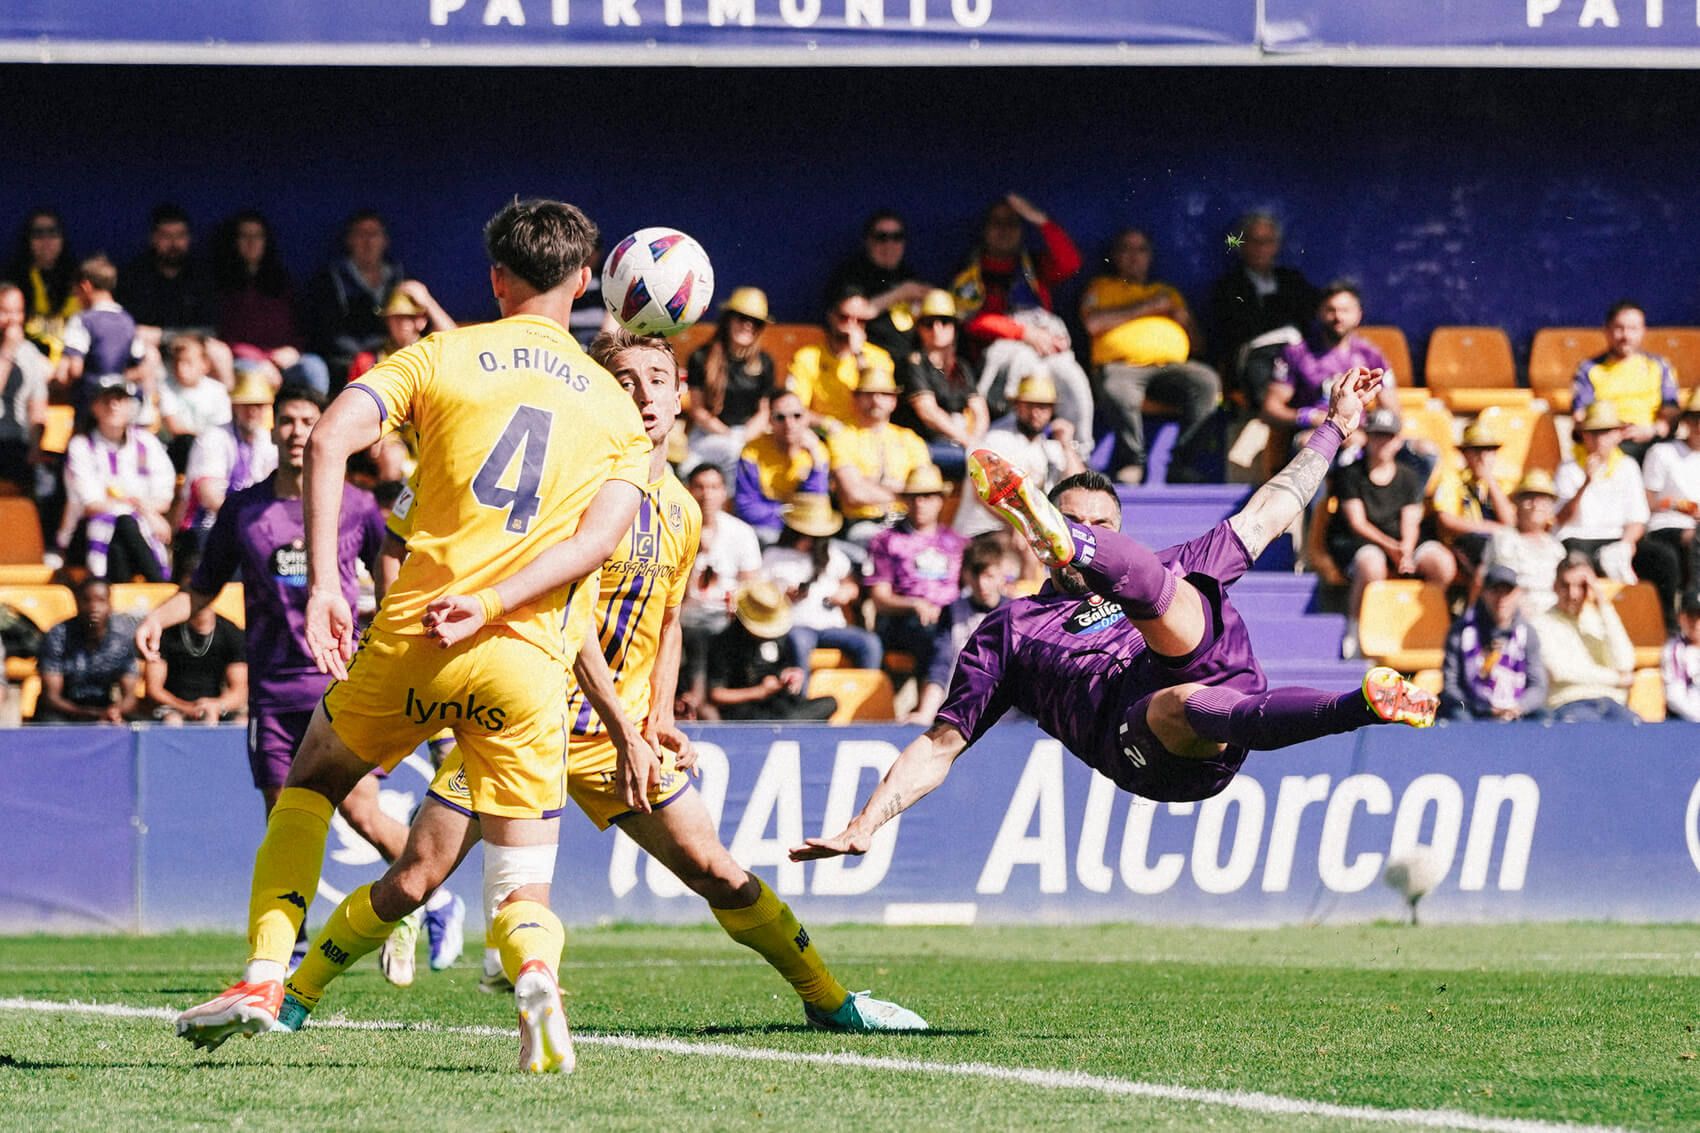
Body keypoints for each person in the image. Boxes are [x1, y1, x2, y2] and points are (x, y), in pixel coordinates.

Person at [279, 328, 921, 1035]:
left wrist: (657, 718)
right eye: (625, 377)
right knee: (413, 877)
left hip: (614, 737)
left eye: (657, 377)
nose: (643, 393)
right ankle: (293, 996)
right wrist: (626, 725)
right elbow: (570, 618)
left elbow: (669, 621)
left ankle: (831, 1000)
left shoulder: (680, 510)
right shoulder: (575, 487)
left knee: (715, 868)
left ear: (682, 397)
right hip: (520, 718)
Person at [172, 198, 650, 1076]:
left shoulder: (441, 352)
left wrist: (326, 583)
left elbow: (327, 438)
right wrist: (498, 598)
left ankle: (264, 973)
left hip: (418, 629)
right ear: (586, 282)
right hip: (527, 658)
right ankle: (535, 975)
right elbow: (594, 545)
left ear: (496, 279)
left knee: (309, 783)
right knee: (521, 880)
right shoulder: (619, 414)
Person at [792, 368, 1437, 870]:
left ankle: (1365, 705)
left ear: (1117, 531)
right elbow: (939, 746)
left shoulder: (1165, 566)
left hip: (1228, 688)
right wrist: (864, 825)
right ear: (1034, 544)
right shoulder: (1011, 630)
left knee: (1170, 591)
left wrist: (1335, 426)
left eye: (1101, 527)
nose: (1094, 529)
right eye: (1074, 523)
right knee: (1176, 698)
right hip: (1143, 745)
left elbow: (1273, 508)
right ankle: (1060, 530)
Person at [135, 383, 412, 958]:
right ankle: (287, 945)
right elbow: (203, 589)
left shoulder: (357, 506)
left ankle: (422, 896)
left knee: (362, 812)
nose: (295, 431)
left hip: (336, 686)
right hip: (271, 693)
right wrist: (158, 618)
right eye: (285, 420)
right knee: (283, 820)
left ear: (325, 427)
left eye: (308, 419)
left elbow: (391, 588)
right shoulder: (244, 509)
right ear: (271, 429)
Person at [1081, 228, 1221, 484]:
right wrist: (1150, 306)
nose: (1134, 256)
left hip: (1170, 372)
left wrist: (1184, 319)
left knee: (1206, 381)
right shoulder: (1101, 287)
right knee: (1115, 385)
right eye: (1126, 249)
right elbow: (1093, 323)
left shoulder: (1166, 292)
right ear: (1114, 256)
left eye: (1141, 249)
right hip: (1121, 369)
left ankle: (1182, 463)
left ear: (1150, 256)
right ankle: (1132, 461)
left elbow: (1198, 345)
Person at [952, 193, 1092, 445]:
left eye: (1012, 224)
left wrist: (1039, 220)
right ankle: (1011, 443)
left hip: (1043, 353)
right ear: (985, 229)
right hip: (998, 360)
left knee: (1072, 376)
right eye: (998, 224)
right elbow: (969, 320)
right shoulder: (973, 270)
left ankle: (1079, 450)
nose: (1004, 231)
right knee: (1022, 360)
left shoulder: (1032, 265)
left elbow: (1070, 262)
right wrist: (1024, 334)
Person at [1325, 408, 1455, 658]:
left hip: (1401, 542)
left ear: (1398, 440)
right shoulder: (1350, 475)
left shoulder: (1409, 476)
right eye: (1376, 435)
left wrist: (1406, 549)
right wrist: (1392, 548)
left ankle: (1426, 622)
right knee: (1371, 565)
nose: (1382, 442)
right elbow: (1357, 523)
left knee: (1442, 564)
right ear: (1367, 438)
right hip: (1363, 542)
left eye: (1388, 436)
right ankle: (1356, 626)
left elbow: (1411, 518)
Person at [1555, 402, 1679, 616]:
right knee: (1574, 560)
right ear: (1583, 435)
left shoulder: (1627, 466)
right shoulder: (1569, 468)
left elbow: (1637, 518)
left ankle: (1667, 624)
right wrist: (1586, 482)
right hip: (1579, 538)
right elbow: (1561, 518)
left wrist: (1627, 544)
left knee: (1663, 558)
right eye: (1593, 433)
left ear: (1617, 435)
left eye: (1605, 432)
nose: (1599, 439)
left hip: (1617, 538)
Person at [55, 375, 174, 581]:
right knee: (123, 523)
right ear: (94, 407)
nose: (113, 406)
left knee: (121, 540)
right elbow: (93, 504)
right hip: (85, 534)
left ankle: (122, 601)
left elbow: (163, 498)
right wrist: (143, 509)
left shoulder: (147, 443)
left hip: (136, 533)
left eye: (120, 399)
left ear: (131, 406)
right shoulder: (82, 446)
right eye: (106, 400)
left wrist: (140, 510)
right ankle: (161, 584)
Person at [1262, 283, 1394, 453]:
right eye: (1331, 310)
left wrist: (1367, 435)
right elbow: (1271, 410)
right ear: (1319, 312)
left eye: (1345, 310)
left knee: (1424, 452)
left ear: (1358, 315)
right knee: (1311, 443)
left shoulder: (1371, 355)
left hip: (1359, 435)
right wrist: (1310, 417)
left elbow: (1392, 411)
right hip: (1313, 434)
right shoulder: (1296, 353)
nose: (1338, 317)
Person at [951, 373, 1084, 539]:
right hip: (982, 532)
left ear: (1052, 410)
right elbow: (982, 495)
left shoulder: (1051, 447)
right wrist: (1023, 528)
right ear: (1016, 405)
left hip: (1026, 536)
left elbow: (1079, 489)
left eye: (1043, 406)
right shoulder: (995, 439)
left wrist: (1067, 446)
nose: (1036, 412)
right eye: (1029, 405)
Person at [212, 210, 331, 394]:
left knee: (314, 367)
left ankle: (314, 421)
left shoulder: (283, 282)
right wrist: (261, 360)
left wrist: (293, 350)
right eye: (245, 236)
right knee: (248, 372)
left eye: (258, 236)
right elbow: (222, 337)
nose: (252, 243)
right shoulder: (220, 284)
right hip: (242, 361)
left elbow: (301, 328)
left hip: (283, 359)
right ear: (234, 241)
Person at [867, 464, 967, 680]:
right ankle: (929, 703)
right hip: (904, 620)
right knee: (935, 636)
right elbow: (880, 598)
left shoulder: (957, 542)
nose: (920, 503)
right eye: (914, 497)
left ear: (941, 500)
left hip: (950, 616)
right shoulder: (886, 541)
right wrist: (914, 604)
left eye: (928, 496)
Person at [763, 492, 883, 671]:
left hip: (831, 625)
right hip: (795, 626)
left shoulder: (834, 555)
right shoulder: (773, 556)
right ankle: (799, 697)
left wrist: (845, 593)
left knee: (870, 643)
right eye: (803, 534)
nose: (808, 540)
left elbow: (851, 585)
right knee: (798, 642)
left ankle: (865, 694)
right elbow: (758, 591)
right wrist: (782, 596)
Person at [1207, 211, 1318, 405]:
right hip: (1255, 359)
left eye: (1267, 242)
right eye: (1253, 241)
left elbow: (1309, 314)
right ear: (1241, 246)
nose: (1260, 248)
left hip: (1294, 354)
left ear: (1276, 246)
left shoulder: (1291, 279)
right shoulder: (1229, 285)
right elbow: (1237, 329)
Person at [679, 461, 762, 718]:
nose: (707, 494)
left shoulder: (741, 532)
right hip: (686, 614)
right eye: (700, 487)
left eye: (714, 487)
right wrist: (694, 556)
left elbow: (751, 586)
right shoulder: (677, 530)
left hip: (727, 616)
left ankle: (701, 699)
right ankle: (699, 701)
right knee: (696, 634)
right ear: (688, 491)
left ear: (724, 492)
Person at [911, 535, 1018, 724]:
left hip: (1008, 717)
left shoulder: (1018, 614)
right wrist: (926, 713)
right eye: (976, 575)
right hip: (959, 714)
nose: (982, 584)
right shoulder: (952, 612)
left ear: (1003, 575)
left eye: (989, 576)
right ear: (966, 574)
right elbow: (940, 665)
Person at [826, 358, 930, 544]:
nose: (876, 400)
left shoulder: (910, 439)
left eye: (884, 394)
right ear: (856, 398)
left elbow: (924, 491)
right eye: (869, 394)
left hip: (906, 523)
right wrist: (902, 491)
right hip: (862, 523)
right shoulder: (842, 437)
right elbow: (854, 494)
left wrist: (868, 483)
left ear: (894, 401)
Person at [708, 580, 839, 722]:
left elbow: (781, 667)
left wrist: (789, 675)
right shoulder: (725, 642)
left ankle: (789, 727)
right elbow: (716, 694)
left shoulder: (777, 637)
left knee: (829, 703)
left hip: (779, 704)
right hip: (746, 712)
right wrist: (758, 692)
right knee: (786, 719)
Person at [179, 370, 280, 551]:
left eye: (259, 405)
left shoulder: (267, 442)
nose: (253, 411)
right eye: (246, 405)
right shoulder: (213, 437)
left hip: (250, 527)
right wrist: (248, 521)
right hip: (206, 526)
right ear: (234, 406)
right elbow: (209, 497)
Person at [1533, 553, 1640, 724]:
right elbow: (1560, 671)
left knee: (1638, 730)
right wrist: (1617, 679)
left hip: (1612, 703)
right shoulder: (1540, 622)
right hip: (1569, 702)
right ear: (1554, 586)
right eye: (1565, 586)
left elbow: (1626, 663)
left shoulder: (1600, 618)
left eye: (1580, 586)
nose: (1573, 594)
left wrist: (1603, 603)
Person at [684, 286, 778, 476]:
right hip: (708, 435)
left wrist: (742, 437)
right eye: (742, 318)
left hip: (747, 435)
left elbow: (763, 411)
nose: (748, 325)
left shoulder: (765, 363)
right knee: (689, 471)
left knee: (741, 457)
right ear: (728, 319)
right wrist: (729, 436)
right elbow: (698, 410)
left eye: (756, 322)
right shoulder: (701, 357)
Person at [304, 210, 406, 382]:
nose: (368, 242)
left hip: (392, 357)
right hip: (345, 361)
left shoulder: (400, 278)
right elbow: (327, 334)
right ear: (349, 240)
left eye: (374, 234)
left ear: (385, 241)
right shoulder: (330, 279)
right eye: (361, 234)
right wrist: (366, 358)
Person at [1571, 300, 1680, 461]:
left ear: (1643, 331)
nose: (1626, 336)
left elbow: (1671, 412)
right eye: (1619, 328)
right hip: (1609, 444)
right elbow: (1580, 416)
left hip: (1653, 441)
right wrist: (1610, 434)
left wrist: (1653, 430)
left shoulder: (1659, 366)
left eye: (1633, 329)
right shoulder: (1588, 369)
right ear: (1606, 331)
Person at [895, 289, 985, 480]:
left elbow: (980, 410)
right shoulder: (913, 363)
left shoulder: (961, 366)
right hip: (924, 444)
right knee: (975, 464)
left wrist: (976, 441)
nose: (937, 328)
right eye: (928, 323)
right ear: (919, 328)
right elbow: (928, 413)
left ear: (954, 327)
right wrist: (968, 442)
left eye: (944, 322)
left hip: (960, 442)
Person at [1440, 564, 1548, 723]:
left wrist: (1519, 707)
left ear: (1518, 594)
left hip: (1515, 708)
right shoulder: (1461, 632)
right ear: (1483, 593)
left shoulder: (1527, 633)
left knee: (1544, 718)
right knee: (1458, 716)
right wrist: (1483, 708)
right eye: (1495, 591)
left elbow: (1538, 685)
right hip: (1473, 709)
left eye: (1507, 592)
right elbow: (1451, 687)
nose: (1501, 598)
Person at [822, 209, 932, 359]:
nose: (889, 244)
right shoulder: (855, 271)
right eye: (881, 237)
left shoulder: (908, 274)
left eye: (897, 237)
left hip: (912, 363)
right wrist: (900, 294)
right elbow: (851, 308)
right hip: (871, 363)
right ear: (868, 241)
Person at [33, 577, 140, 723]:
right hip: (63, 711)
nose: (93, 607)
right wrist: (91, 715)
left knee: (134, 727)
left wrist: (115, 711)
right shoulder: (58, 636)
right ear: (76, 603)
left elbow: (130, 697)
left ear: (110, 605)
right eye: (86, 600)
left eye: (101, 600)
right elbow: (51, 697)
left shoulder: (122, 638)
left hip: (104, 707)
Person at [786, 289, 894, 431]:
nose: (851, 325)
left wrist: (859, 355)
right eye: (844, 318)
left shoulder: (879, 358)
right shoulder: (807, 357)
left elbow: (880, 406)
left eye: (859, 320)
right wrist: (826, 424)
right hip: (824, 433)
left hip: (865, 435)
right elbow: (795, 410)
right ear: (831, 316)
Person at [732, 389, 829, 545]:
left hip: (805, 531)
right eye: (780, 417)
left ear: (806, 418)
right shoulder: (752, 452)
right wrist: (787, 512)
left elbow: (816, 504)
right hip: (767, 529)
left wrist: (816, 462)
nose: (789, 424)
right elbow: (747, 508)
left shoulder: (817, 451)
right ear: (770, 421)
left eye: (796, 416)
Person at [1640, 387, 1700, 619]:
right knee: (1693, 536)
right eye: (1695, 418)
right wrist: (1680, 505)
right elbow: (1648, 500)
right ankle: (1693, 601)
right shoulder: (1663, 452)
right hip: (1668, 523)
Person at [1429, 417, 1514, 578]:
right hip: (1461, 542)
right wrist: (1488, 527)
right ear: (1465, 454)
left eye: (1489, 450)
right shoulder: (1452, 479)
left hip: (1495, 541)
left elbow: (1510, 522)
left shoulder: (1501, 484)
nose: (1483, 456)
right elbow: (1446, 520)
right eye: (1476, 450)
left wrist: (1489, 480)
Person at [118, 203, 216, 337]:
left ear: (189, 238)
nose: (174, 243)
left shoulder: (202, 275)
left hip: (194, 349)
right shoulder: (134, 276)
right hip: (147, 349)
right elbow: (128, 329)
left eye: (180, 235)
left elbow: (210, 329)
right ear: (153, 239)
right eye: (166, 236)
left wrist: (163, 335)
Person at [59, 254, 143, 407]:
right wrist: (116, 382)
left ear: (86, 286)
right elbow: (140, 367)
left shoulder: (83, 320)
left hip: (90, 404)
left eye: (76, 292)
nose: (76, 298)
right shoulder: (128, 321)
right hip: (120, 404)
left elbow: (73, 369)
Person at [143, 603, 246, 725]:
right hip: (173, 705)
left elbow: (240, 691)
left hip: (214, 705)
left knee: (242, 723)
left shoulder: (231, 633)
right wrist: (187, 707)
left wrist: (217, 705)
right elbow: (154, 689)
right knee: (172, 721)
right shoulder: (166, 632)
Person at [1481, 470, 1567, 615]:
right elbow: (1503, 589)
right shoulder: (1505, 539)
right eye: (1529, 498)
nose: (1535, 505)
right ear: (1516, 503)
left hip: (1555, 614)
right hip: (1520, 615)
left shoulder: (1556, 547)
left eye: (1543, 499)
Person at [6, 209, 78, 364]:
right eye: (38, 233)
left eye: (53, 232)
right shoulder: (14, 278)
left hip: (73, 360)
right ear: (28, 239)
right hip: (28, 357)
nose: (46, 240)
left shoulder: (79, 278)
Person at [0, 280, 50, 493]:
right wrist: (7, 352)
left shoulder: (29, 352)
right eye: (4, 311)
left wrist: (35, 447)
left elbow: (37, 403)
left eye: (17, 312)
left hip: (17, 442)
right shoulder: (10, 350)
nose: (13, 319)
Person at [157, 333, 233, 469]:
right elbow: (176, 429)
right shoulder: (165, 389)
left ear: (205, 365)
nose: (181, 369)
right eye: (177, 362)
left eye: (188, 362)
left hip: (212, 450)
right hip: (177, 452)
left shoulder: (218, 391)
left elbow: (222, 429)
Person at [1662, 594, 1700, 722]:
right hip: (1690, 723)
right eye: (1692, 616)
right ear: (1682, 619)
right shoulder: (1675, 650)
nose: (1697, 623)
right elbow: (1675, 697)